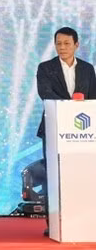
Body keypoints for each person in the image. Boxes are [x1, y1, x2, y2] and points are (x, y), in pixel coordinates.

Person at [36, 27, 96, 236]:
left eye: (66, 43)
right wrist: (70, 108)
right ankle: (53, 222)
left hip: (82, 132)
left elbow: (93, 97)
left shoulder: (88, 69)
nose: (62, 47)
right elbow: (45, 93)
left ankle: (81, 218)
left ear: (76, 45)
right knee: (53, 176)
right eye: (58, 43)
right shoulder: (45, 68)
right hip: (54, 128)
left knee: (80, 175)